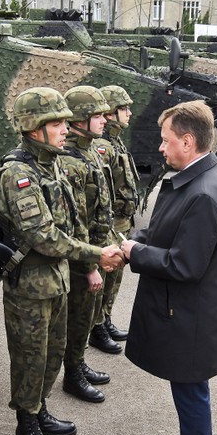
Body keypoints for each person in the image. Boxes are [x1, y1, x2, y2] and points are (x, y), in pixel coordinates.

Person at [0, 87, 123, 435]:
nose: (67, 128)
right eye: (58, 122)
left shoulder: (53, 164)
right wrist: (97, 254)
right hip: (31, 287)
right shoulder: (18, 174)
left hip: (58, 279)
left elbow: (73, 222)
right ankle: (26, 424)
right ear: (34, 128)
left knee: (53, 355)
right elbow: (43, 236)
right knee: (31, 359)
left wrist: (89, 262)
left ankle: (40, 408)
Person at [120, 100, 217, 435]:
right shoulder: (196, 178)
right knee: (188, 386)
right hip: (189, 310)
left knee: (190, 389)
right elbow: (168, 231)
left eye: (166, 140)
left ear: (188, 142)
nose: (161, 147)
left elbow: (185, 265)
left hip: (191, 313)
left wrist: (135, 252)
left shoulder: (203, 193)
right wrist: (137, 240)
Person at [58, 86, 114, 403]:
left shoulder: (88, 149)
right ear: (80, 119)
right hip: (82, 257)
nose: (104, 119)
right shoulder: (70, 160)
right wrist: (90, 266)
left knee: (87, 314)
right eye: (97, 114)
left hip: (96, 249)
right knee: (79, 318)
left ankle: (77, 364)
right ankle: (72, 376)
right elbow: (76, 220)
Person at [87, 85, 141, 355]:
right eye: (124, 108)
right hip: (110, 223)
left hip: (122, 221)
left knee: (116, 278)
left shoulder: (115, 141)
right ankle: (97, 327)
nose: (129, 113)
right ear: (109, 113)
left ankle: (105, 319)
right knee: (106, 277)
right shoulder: (102, 147)